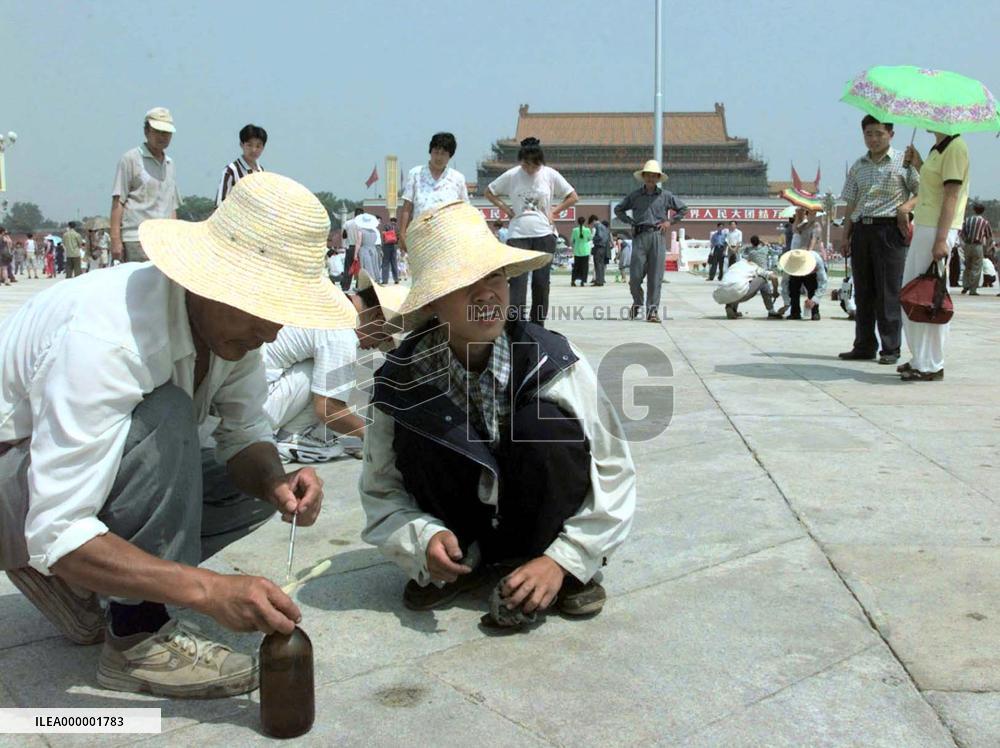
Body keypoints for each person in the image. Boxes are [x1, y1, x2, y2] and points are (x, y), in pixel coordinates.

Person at [0, 172, 357, 697]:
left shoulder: (233, 332)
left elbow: (244, 434)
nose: (273, 332)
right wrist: (208, 591)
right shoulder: (109, 337)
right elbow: (56, 525)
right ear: (212, 282)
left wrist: (276, 484)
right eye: (264, 309)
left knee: (251, 485)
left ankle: (79, 584)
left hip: (51, 491)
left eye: (283, 313)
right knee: (166, 417)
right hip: (17, 489)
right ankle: (136, 636)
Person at [359, 200, 635, 625]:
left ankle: (555, 569)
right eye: (466, 281)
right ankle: (460, 564)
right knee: (421, 431)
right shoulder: (400, 380)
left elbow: (613, 467)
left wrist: (565, 558)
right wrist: (421, 538)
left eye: (495, 276)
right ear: (432, 301)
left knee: (542, 426)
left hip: (542, 530)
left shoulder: (553, 360)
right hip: (458, 530)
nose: (487, 293)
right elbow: (381, 487)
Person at [262, 271, 406, 463]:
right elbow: (328, 409)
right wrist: (370, 434)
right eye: (385, 337)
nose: (377, 347)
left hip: (247, 394)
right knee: (324, 377)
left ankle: (293, 434)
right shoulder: (342, 332)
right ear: (378, 316)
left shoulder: (333, 301)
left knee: (323, 367)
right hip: (256, 411)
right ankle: (291, 438)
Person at [839, 114, 920, 365]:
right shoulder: (858, 166)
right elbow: (852, 203)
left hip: (889, 231)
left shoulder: (903, 162)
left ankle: (890, 348)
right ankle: (864, 345)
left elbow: (923, 192)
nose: (873, 139)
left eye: (878, 134)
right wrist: (846, 235)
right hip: (862, 230)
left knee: (888, 292)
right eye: (868, 134)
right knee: (863, 292)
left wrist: (905, 208)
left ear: (891, 135)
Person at [485, 137, 578, 327]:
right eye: (526, 163)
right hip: (518, 234)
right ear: (521, 161)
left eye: (534, 164)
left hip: (544, 233)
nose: (530, 168)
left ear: (540, 161)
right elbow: (489, 192)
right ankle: (515, 325)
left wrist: (554, 212)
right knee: (518, 282)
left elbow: (573, 196)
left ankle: (537, 325)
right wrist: (508, 210)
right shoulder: (512, 175)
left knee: (541, 282)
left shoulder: (549, 174)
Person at [899, 132, 970, 381]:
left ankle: (931, 363)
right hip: (926, 226)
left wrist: (941, 239)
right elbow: (934, 188)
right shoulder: (938, 147)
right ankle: (920, 356)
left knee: (931, 297)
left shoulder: (955, 148)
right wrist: (919, 162)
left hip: (938, 229)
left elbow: (951, 195)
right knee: (914, 294)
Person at [614, 159, 687, 323]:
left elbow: (683, 209)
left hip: (657, 237)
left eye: (654, 176)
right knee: (634, 277)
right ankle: (638, 301)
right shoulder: (635, 196)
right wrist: (629, 221)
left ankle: (652, 311)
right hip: (640, 236)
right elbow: (618, 209)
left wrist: (669, 222)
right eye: (648, 176)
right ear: (644, 177)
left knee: (655, 277)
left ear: (658, 178)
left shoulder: (666, 196)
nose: (651, 179)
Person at [111, 108, 181, 263]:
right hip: (136, 239)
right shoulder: (130, 159)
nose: (162, 137)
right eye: (158, 131)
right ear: (146, 131)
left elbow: (172, 206)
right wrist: (115, 240)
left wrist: (175, 238)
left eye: (166, 133)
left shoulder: (170, 164)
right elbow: (118, 201)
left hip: (164, 241)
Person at [399, 132, 469, 250]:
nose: (439, 157)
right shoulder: (415, 173)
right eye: (436, 152)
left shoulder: (458, 178)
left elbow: (464, 210)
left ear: (450, 156)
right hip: (420, 238)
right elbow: (407, 207)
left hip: (448, 239)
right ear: (430, 152)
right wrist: (402, 234)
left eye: (443, 153)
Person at [712, 253, 782, 320]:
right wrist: (775, 292)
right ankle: (771, 311)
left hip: (721, 294)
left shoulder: (736, 265)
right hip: (737, 291)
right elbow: (774, 278)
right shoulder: (755, 267)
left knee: (739, 284)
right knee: (763, 279)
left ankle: (731, 308)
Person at [216, 123, 266, 206]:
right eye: (249, 145)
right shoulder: (231, 170)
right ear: (242, 145)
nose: (254, 150)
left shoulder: (261, 171)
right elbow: (220, 203)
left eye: (258, 146)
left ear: (263, 148)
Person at [779, 248, 828, 321]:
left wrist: (815, 299)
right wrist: (787, 303)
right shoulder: (789, 263)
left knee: (812, 288)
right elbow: (785, 284)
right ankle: (795, 312)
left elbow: (823, 281)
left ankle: (815, 312)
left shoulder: (816, 260)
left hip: (811, 274)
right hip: (794, 274)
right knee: (793, 289)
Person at [960, 203, 992, 295]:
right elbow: (989, 236)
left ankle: (965, 285)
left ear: (974, 210)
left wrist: (964, 243)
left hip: (968, 245)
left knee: (967, 266)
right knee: (976, 267)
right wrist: (987, 248)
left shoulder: (968, 220)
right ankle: (973, 289)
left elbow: (962, 233)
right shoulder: (984, 222)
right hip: (978, 246)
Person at [355, 210, 382, 280]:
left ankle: (367, 283)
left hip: (364, 250)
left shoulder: (361, 231)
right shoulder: (374, 231)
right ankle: (376, 280)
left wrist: (355, 254)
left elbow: (358, 243)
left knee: (366, 267)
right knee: (374, 266)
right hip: (373, 250)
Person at [570, 216, 591, 287]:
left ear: (578, 222)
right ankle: (583, 281)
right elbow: (589, 239)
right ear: (584, 222)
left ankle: (573, 281)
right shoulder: (587, 230)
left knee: (576, 267)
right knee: (584, 267)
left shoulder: (574, 230)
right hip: (585, 251)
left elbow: (572, 240)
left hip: (577, 250)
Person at [589, 215, 610, 286]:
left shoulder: (597, 226)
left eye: (592, 223)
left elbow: (599, 236)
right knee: (601, 265)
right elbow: (606, 237)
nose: (592, 224)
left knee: (597, 264)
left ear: (594, 220)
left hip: (598, 247)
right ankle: (600, 280)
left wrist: (593, 238)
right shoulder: (604, 227)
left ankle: (598, 281)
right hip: (603, 247)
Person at [381, 216, 400, 284]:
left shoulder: (386, 225)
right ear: (396, 221)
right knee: (394, 263)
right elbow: (398, 238)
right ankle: (396, 279)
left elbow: (383, 235)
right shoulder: (397, 228)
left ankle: (385, 280)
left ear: (390, 220)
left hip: (386, 246)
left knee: (385, 263)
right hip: (394, 246)